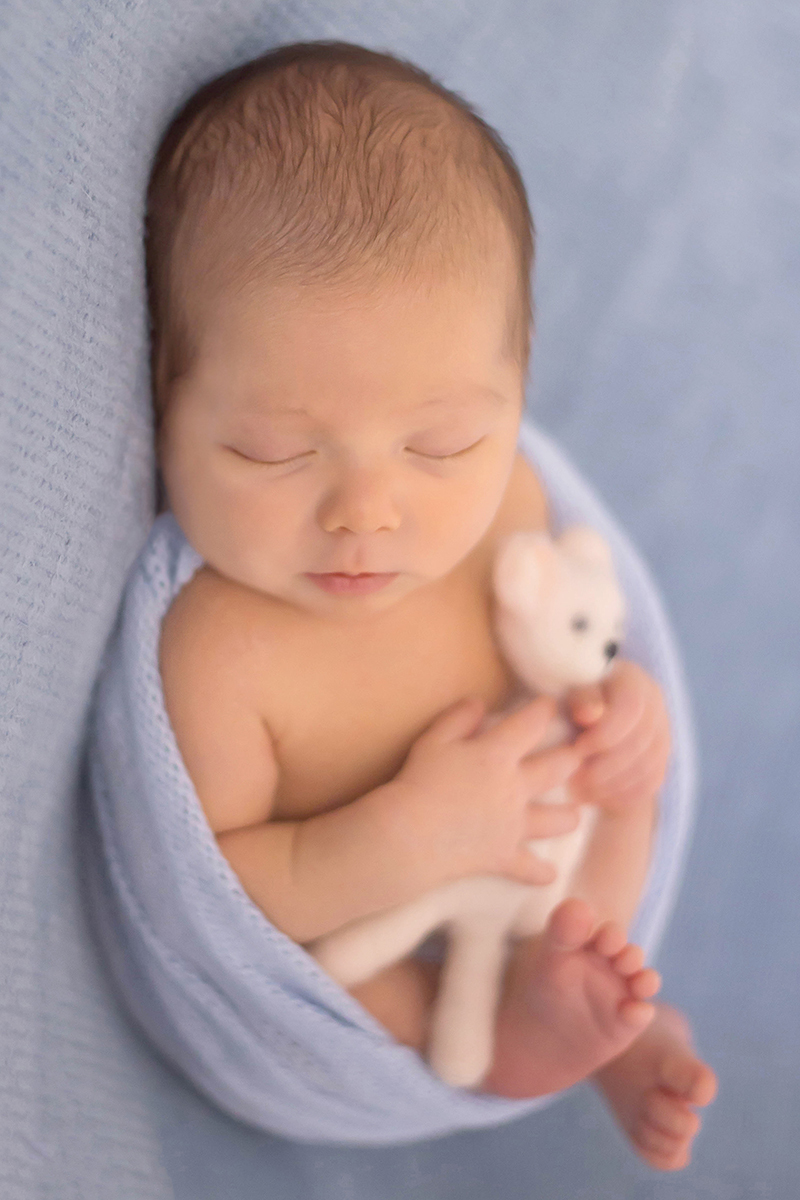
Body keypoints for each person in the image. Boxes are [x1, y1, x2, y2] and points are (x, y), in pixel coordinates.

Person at [146, 40, 716, 1170]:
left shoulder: (506, 504)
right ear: (164, 387)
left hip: (534, 873)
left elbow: (570, 656)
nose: (366, 512)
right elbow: (218, 892)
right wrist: (393, 841)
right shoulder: (220, 645)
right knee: (338, 971)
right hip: (376, 942)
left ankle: (598, 1016)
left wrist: (624, 729)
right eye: (273, 451)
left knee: (603, 790)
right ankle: (523, 1040)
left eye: (439, 441)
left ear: (515, 387)